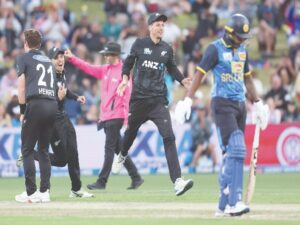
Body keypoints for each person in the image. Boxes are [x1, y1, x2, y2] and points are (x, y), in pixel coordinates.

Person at [174, 14, 269, 215]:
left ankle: (222, 206)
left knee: (230, 155)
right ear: (229, 33)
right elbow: (200, 74)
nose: (243, 40)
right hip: (222, 103)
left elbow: (248, 79)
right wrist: (187, 100)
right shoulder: (214, 48)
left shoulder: (242, 49)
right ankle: (234, 202)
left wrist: (258, 103)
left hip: (240, 105)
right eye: (239, 36)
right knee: (237, 149)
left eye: (245, 37)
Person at [112, 13, 194, 196]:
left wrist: (183, 81)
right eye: (157, 24)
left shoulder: (167, 48)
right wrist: (125, 80)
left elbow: (172, 67)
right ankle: (122, 155)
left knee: (169, 137)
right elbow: (128, 64)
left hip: (158, 101)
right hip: (139, 100)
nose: (161, 28)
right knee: (130, 134)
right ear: (150, 27)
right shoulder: (139, 44)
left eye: (163, 25)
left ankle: (178, 181)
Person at [64, 42, 144, 190]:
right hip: (107, 116)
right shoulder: (105, 70)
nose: (105, 57)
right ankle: (136, 177)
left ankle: (102, 181)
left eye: (108, 54)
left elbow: (128, 95)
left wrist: (127, 118)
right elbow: (88, 67)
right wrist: (73, 58)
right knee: (118, 150)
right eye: (105, 54)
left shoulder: (123, 72)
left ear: (115, 55)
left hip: (116, 115)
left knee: (109, 148)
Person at [16, 46, 94, 198]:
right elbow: (49, 102)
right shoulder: (47, 77)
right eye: (57, 57)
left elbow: (65, 90)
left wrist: (76, 96)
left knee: (73, 153)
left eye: (62, 57)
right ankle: (31, 156)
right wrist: (59, 98)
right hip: (52, 121)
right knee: (61, 160)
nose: (60, 60)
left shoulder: (61, 73)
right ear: (49, 61)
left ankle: (76, 189)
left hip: (64, 118)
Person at [15, 29, 58, 203]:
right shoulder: (48, 60)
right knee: (43, 150)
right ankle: (45, 192)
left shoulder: (23, 58)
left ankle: (31, 193)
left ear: (26, 43)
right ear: (39, 44)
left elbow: (22, 88)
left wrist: (22, 111)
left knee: (26, 150)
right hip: (51, 104)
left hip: (35, 104)